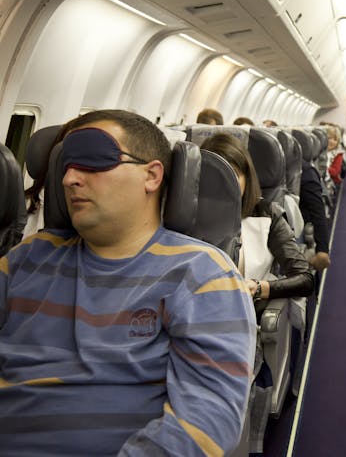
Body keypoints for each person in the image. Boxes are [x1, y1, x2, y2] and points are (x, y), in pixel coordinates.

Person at [0, 110, 255, 455]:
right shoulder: (25, 259)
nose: (69, 178)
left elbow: (207, 417)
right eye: (67, 165)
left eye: (92, 161)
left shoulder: (202, 274)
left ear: (151, 176)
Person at [199, 133, 315, 303]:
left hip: (250, 314)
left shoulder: (267, 214)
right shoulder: (187, 218)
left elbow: (304, 279)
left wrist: (259, 287)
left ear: (247, 177)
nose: (225, 185)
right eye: (216, 177)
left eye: (234, 175)